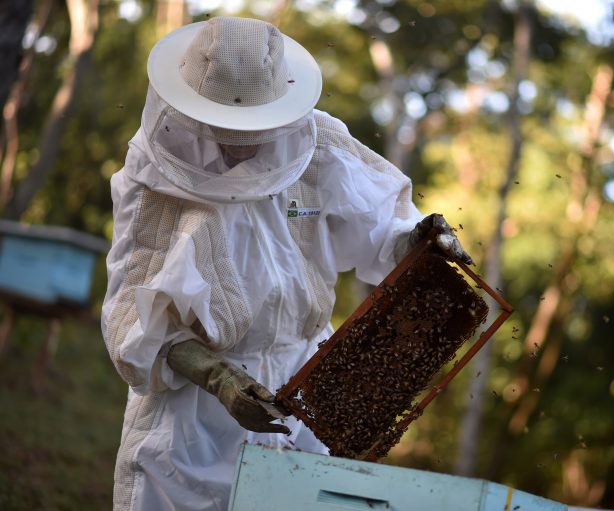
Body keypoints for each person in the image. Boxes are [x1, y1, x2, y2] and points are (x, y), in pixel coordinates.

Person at [101, 16, 471, 511]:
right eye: (225, 123)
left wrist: (420, 239)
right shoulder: (150, 177)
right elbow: (131, 311)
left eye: (254, 123)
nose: (241, 140)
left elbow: (383, 227)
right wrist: (219, 378)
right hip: (196, 417)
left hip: (312, 386)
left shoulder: (318, 147)